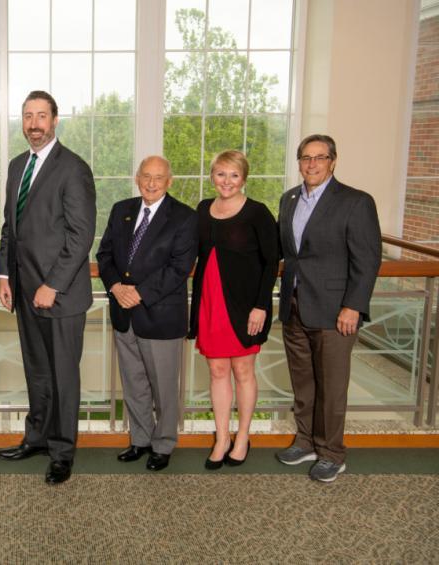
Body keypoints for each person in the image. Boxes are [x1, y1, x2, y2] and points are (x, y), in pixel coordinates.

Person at [0, 91, 96, 485]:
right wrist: (5, 275)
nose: (34, 124)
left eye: (41, 116)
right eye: (27, 116)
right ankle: (37, 436)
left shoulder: (73, 168)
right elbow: (11, 228)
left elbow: (81, 235)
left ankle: (62, 451)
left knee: (62, 376)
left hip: (61, 295)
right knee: (37, 372)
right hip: (24, 291)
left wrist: (52, 285)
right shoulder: (18, 165)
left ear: (55, 121)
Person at [275, 134, 381, 482]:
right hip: (294, 307)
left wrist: (353, 306)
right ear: (299, 162)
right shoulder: (289, 199)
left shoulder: (355, 201)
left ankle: (332, 452)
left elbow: (367, 260)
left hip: (336, 311)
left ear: (333, 161)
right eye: (306, 158)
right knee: (303, 384)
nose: (312, 164)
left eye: (320, 157)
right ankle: (305, 441)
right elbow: (291, 254)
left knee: (332, 386)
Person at [97, 156, 197, 472]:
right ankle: (140, 439)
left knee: (164, 386)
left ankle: (163, 443)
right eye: (146, 176)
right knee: (134, 382)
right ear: (137, 178)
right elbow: (105, 255)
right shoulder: (121, 210)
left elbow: (179, 268)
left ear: (169, 181)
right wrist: (115, 287)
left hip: (160, 315)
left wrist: (137, 293)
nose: (151, 183)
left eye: (158, 177)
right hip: (124, 313)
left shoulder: (184, 217)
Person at [188, 150, 278, 470]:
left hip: (244, 305)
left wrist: (261, 306)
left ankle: (242, 437)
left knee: (243, 371)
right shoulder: (201, 209)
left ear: (244, 178)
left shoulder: (258, 213)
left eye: (234, 175)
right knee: (217, 371)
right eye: (221, 174)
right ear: (212, 175)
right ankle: (222, 437)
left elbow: (271, 264)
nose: (226, 181)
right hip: (210, 303)